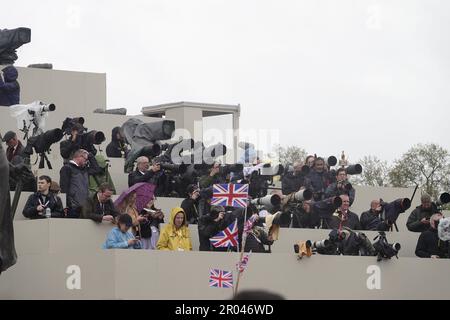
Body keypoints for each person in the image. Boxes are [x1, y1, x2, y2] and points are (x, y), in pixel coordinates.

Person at [59, 149, 101, 218]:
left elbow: (97, 169)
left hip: (84, 205)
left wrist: (90, 156)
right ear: (79, 157)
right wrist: (68, 204)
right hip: (73, 207)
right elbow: (64, 188)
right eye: (85, 159)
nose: (86, 162)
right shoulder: (66, 168)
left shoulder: (85, 169)